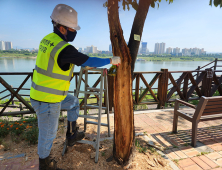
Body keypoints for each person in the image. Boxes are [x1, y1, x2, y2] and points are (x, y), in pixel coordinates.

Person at [30, 4, 120, 170]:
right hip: (48, 100)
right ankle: (45, 164)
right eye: (72, 29)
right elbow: (89, 60)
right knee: (48, 133)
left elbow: (60, 63)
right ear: (63, 28)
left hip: (47, 94)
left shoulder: (48, 39)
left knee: (73, 102)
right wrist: (111, 60)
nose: (75, 32)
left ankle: (71, 135)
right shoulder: (64, 48)